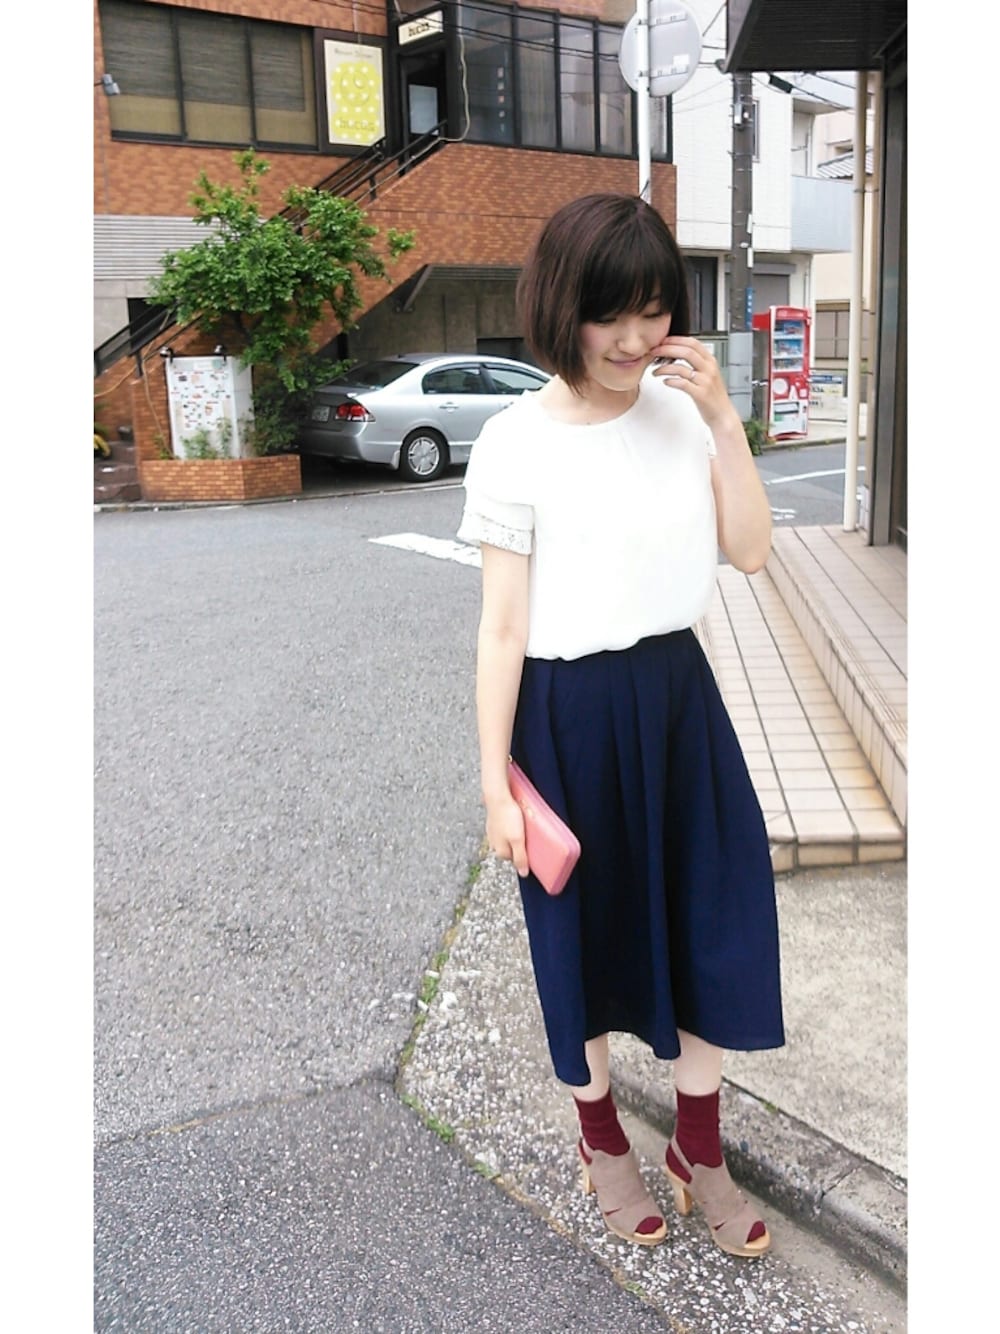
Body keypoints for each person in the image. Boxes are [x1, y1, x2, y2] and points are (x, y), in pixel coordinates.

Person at [457, 193, 785, 1258]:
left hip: (679, 701)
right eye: (611, 314)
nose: (636, 339)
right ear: (563, 307)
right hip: (565, 717)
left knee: (712, 920)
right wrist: (496, 785)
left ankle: (699, 1146)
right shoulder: (513, 442)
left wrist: (726, 424)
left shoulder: (684, 415)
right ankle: (601, 1139)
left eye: (654, 311)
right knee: (581, 942)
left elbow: (750, 551)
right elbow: (502, 627)